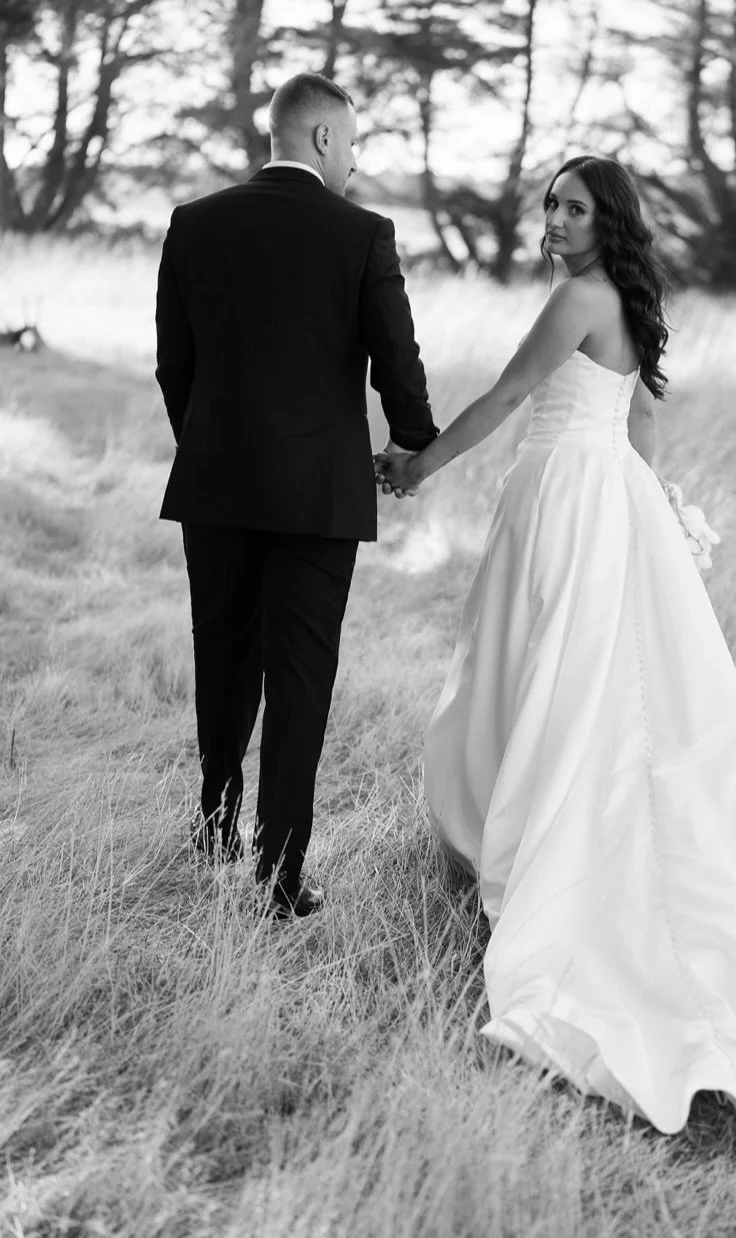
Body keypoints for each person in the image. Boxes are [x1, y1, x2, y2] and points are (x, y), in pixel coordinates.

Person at [375, 155, 736, 1138]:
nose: (557, 218)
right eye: (552, 204)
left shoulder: (579, 299)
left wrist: (419, 465)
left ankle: (538, 847)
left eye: (575, 205)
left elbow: (507, 397)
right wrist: (653, 513)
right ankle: (527, 821)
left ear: (608, 220)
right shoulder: (633, 308)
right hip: (601, 499)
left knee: (545, 673)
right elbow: (643, 422)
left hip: (566, 500)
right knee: (575, 674)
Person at [156, 72, 438, 919]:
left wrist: (207, 445)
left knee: (224, 653)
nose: (353, 162)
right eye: (350, 144)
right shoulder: (361, 234)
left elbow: (176, 362)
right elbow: (398, 359)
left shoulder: (194, 223)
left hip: (217, 483)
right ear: (321, 138)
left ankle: (216, 823)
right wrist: (413, 443)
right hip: (318, 494)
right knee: (302, 675)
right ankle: (279, 877)